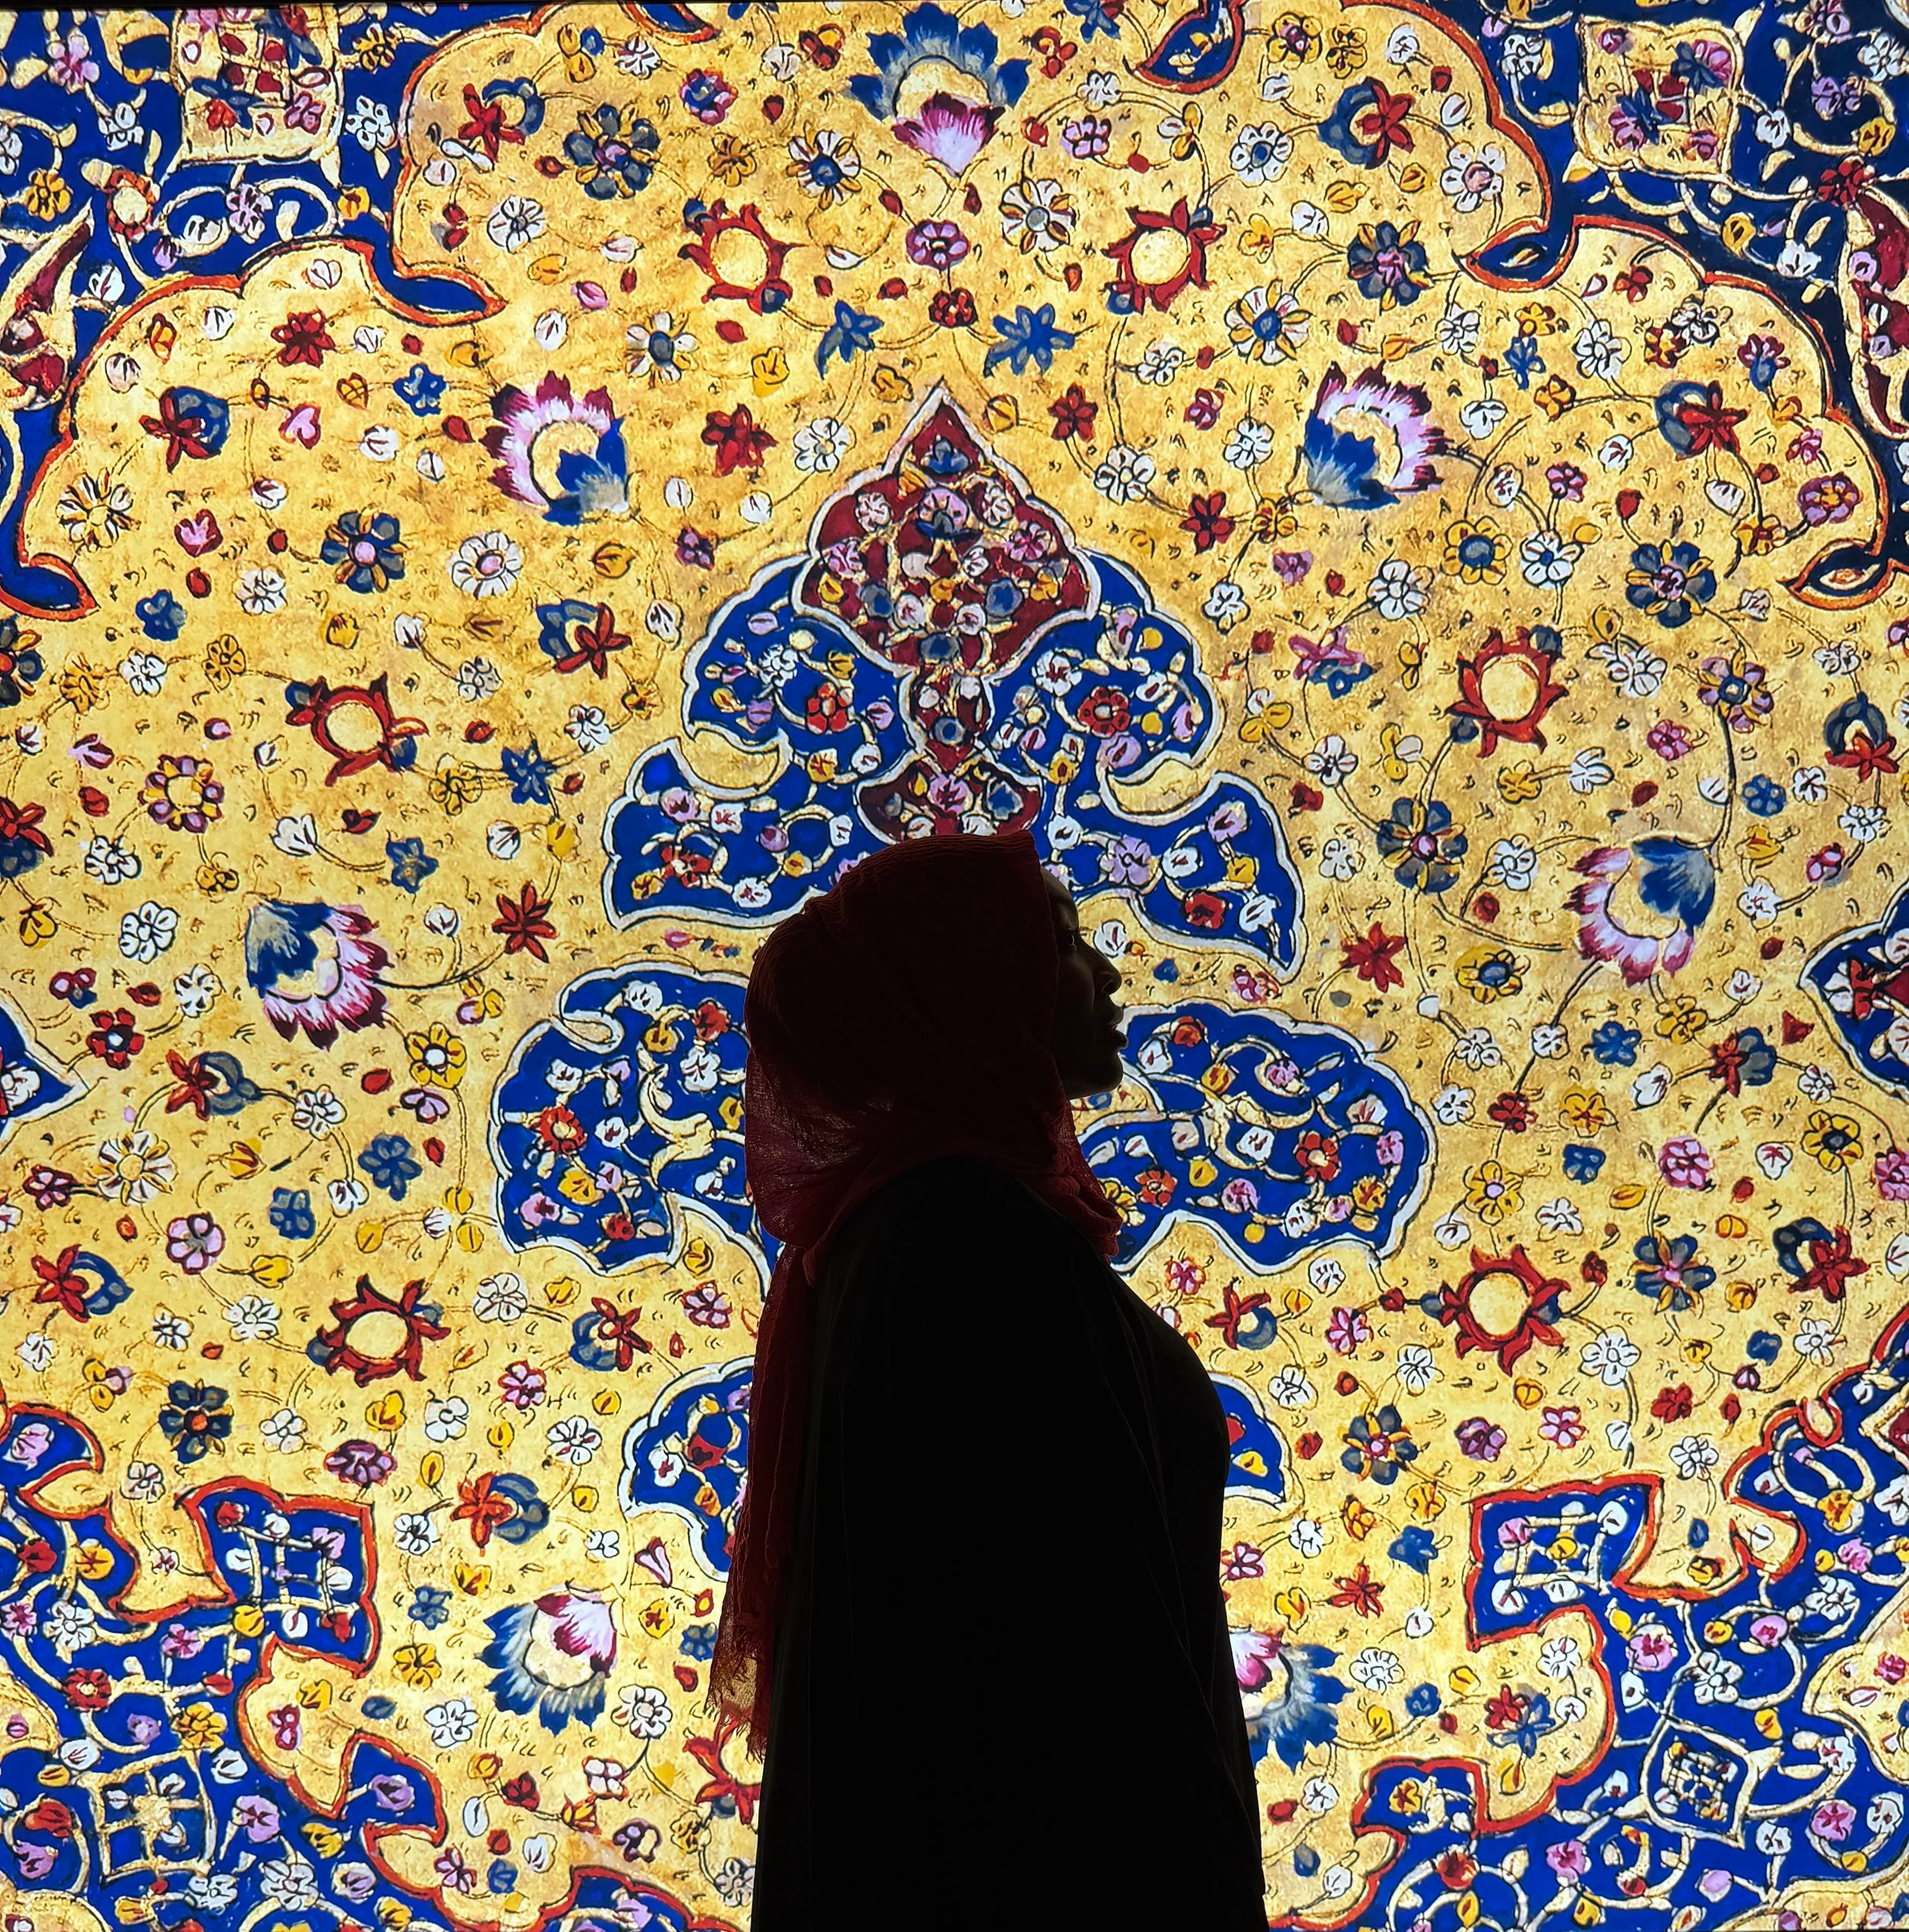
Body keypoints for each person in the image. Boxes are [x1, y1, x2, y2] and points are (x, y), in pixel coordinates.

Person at [709, 827, 1268, 1929]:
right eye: (1060, 943)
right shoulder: (966, 1239)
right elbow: (1079, 1648)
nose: (1107, 974)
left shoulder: (909, 1236)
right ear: (966, 986)